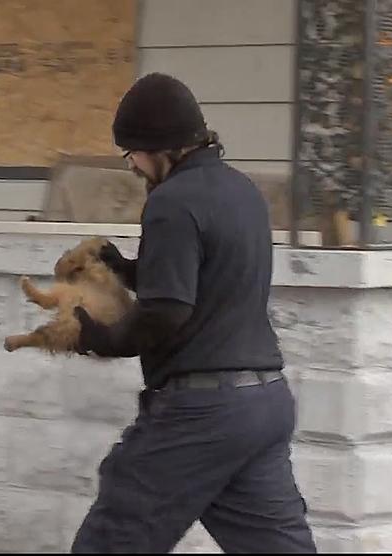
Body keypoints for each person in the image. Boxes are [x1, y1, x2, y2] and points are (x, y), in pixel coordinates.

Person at [70, 72, 317, 553]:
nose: (134, 165)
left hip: (201, 414)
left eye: (133, 153)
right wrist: (126, 270)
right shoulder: (241, 191)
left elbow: (166, 314)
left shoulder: (171, 202)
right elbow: (207, 280)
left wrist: (93, 335)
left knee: (113, 539)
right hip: (263, 405)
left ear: (159, 148)